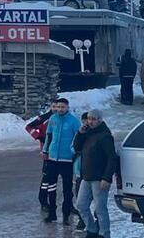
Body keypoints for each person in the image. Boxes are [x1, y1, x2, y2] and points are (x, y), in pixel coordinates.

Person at [73, 109, 116, 238]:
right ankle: (92, 229)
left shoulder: (105, 136)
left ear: (99, 120)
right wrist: (80, 134)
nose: (90, 122)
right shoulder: (87, 133)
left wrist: (107, 178)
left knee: (100, 208)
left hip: (99, 178)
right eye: (89, 119)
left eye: (93, 119)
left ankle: (104, 233)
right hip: (86, 177)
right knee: (81, 205)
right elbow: (77, 148)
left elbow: (111, 158)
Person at [40, 97, 79, 225]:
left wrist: (74, 153)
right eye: (58, 107)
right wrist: (45, 151)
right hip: (52, 159)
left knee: (67, 189)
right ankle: (52, 213)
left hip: (67, 160)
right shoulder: (53, 119)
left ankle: (66, 214)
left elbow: (78, 139)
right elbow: (49, 136)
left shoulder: (74, 121)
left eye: (63, 107)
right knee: (51, 187)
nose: (60, 109)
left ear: (67, 107)